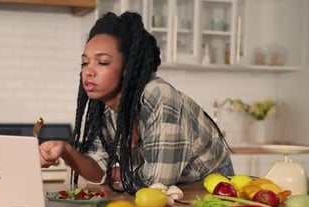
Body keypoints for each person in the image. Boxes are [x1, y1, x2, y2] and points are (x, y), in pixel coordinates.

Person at [39, 11, 234, 195]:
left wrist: (117, 173)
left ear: (128, 67)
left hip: (210, 186)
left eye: (103, 62)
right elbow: (100, 170)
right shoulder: (106, 108)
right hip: (170, 191)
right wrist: (66, 151)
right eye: (85, 62)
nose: (88, 71)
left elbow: (157, 180)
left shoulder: (159, 95)